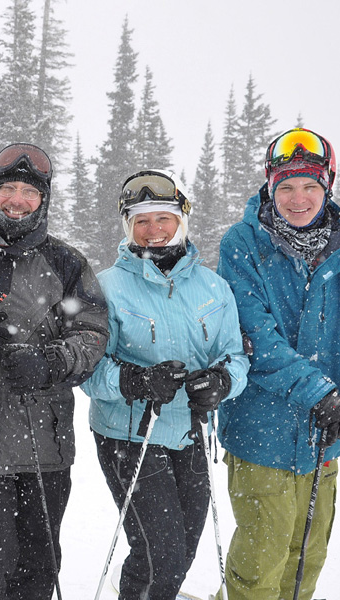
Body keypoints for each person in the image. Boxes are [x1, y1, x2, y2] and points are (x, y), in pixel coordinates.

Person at [215, 127, 340, 600]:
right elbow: (256, 338)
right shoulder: (244, 242)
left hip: (324, 437)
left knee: (306, 560)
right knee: (261, 560)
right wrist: (321, 394)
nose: (297, 199)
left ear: (328, 186)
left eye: (309, 186)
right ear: (270, 187)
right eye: (286, 187)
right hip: (261, 431)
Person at [0, 143, 109, 599]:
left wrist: (51, 361)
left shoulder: (67, 262)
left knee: (37, 567)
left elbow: (93, 333)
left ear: (43, 200)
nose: (17, 200)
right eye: (8, 189)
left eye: (29, 192)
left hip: (43, 444)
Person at [81, 170, 249, 600]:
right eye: (141, 220)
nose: (153, 229)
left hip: (190, 433)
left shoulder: (213, 287)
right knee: (163, 554)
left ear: (181, 221)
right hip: (129, 435)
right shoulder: (107, 286)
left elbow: (235, 356)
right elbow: (89, 372)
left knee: (182, 550)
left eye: (163, 218)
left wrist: (222, 382)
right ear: (128, 227)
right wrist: (137, 381)